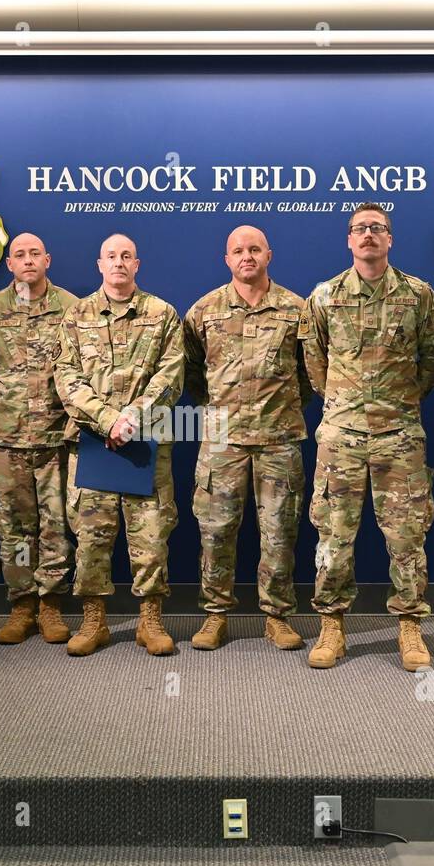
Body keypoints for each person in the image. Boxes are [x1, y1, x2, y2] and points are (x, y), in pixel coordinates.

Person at [301, 203, 434, 671]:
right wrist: (346, 405)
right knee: (333, 535)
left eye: (377, 229)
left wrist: (395, 404)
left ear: (390, 239)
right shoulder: (323, 296)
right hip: (340, 436)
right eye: (360, 229)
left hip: (399, 435)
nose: (368, 235)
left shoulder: (419, 296)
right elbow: (315, 365)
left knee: (406, 536)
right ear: (348, 239)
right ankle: (332, 625)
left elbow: (430, 363)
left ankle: (409, 627)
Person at [54, 234, 184, 656]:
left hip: (144, 445)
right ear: (99, 264)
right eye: (111, 256)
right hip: (93, 443)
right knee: (91, 538)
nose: (119, 263)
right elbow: (67, 379)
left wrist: (134, 417)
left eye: (126, 256)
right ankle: (95, 621)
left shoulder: (162, 314)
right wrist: (110, 420)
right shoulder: (76, 316)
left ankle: (150, 620)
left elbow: (171, 375)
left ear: (138, 263)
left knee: (151, 536)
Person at [183, 225, 311, 652]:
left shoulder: (297, 310)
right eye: (237, 250)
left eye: (254, 249)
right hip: (222, 440)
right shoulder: (204, 311)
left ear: (269, 255)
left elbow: (312, 373)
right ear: (227, 259)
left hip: (279, 438)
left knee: (279, 531)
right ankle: (215, 614)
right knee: (215, 531)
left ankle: (276, 615)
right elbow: (192, 374)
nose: (246, 256)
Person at [0, 232, 79, 645]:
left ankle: (51, 605)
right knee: (12, 524)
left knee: (55, 522)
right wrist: (8, 405)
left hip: (56, 435)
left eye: (36, 252)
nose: (28, 259)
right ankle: (21, 604)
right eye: (20, 254)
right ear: (9, 265)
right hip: (5, 436)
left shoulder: (71, 309)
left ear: (47, 259)